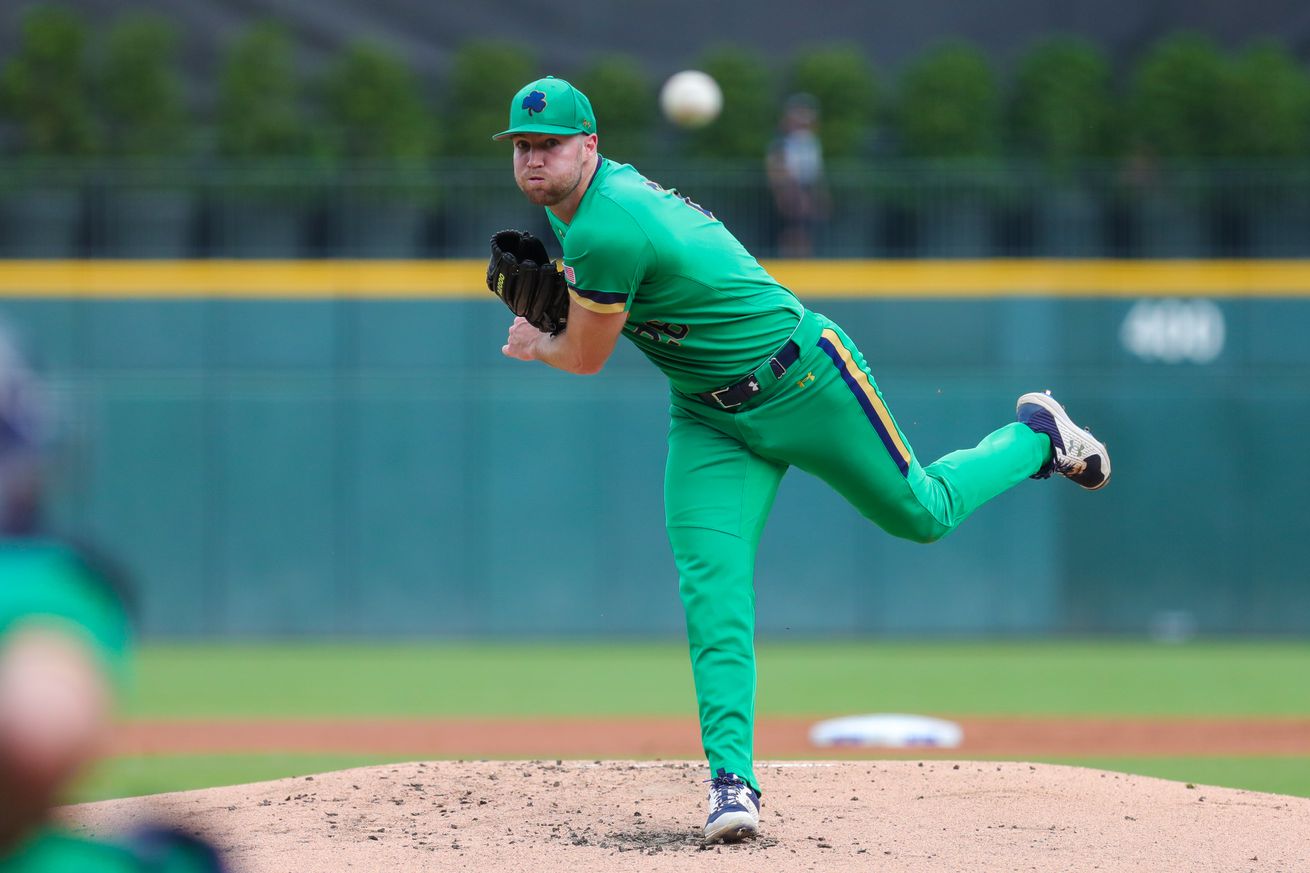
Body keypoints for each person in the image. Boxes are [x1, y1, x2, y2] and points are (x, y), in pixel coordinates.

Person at [493, 76, 1110, 844]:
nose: (533, 158)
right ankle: (732, 784)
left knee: (924, 513)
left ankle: (1037, 437)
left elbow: (583, 358)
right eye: (522, 145)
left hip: (806, 380)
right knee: (712, 590)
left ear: (590, 145)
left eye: (549, 144)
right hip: (709, 417)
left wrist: (537, 342)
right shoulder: (590, 218)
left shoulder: (603, 225)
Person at [765, 93, 829, 258]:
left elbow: (815, 171)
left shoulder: (810, 141)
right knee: (792, 229)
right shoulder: (782, 142)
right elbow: (777, 169)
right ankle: (790, 262)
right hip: (790, 191)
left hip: (805, 190)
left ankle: (801, 261)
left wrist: (819, 194)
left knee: (805, 229)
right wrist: (789, 193)